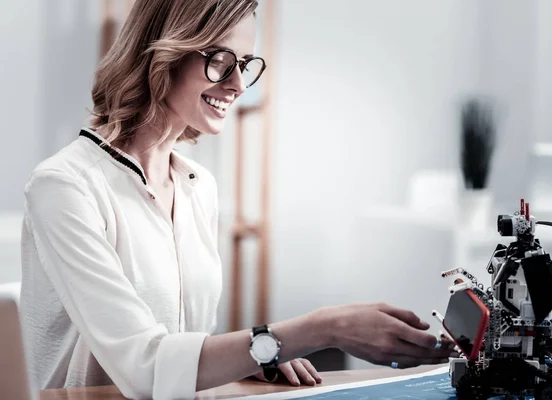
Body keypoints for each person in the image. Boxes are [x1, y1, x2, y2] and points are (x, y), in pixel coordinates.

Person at [19, 0, 457, 399]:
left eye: (244, 64)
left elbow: (180, 351)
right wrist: (325, 328)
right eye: (220, 61)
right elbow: (146, 368)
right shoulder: (64, 186)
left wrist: (258, 355)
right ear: (163, 53)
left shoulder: (196, 186)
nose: (237, 85)